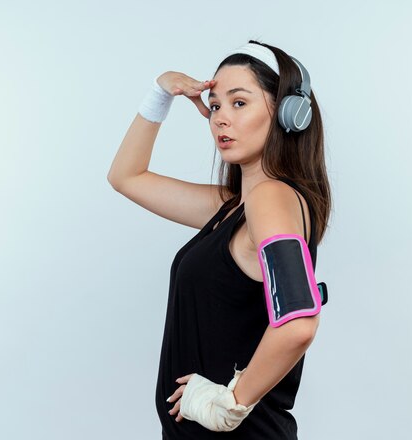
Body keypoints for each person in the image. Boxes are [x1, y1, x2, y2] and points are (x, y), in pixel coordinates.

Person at [107, 39, 332, 439]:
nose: (220, 118)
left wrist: (230, 403)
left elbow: (298, 321)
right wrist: (161, 93)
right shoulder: (232, 207)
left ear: (285, 113)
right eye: (215, 106)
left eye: (239, 102)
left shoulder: (271, 198)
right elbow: (126, 177)